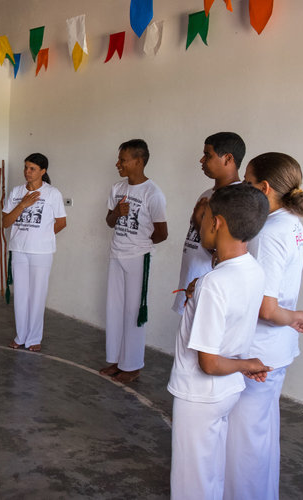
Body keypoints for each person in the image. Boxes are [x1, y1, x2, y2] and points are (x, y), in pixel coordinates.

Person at [167, 183, 272, 499]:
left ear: (217, 222)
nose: (199, 221)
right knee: (210, 472)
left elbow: (208, 362)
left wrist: (246, 364)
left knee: (191, 482)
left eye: (204, 215)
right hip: (226, 393)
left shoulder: (214, 283)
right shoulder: (252, 269)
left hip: (198, 395)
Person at [224, 153, 303, 500]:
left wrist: (295, 316)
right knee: (261, 434)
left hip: (259, 351)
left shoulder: (269, 231)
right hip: (276, 348)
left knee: (245, 444)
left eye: (247, 183)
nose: (243, 188)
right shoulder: (292, 222)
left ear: (264, 188)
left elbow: (266, 307)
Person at [100, 139, 168, 383]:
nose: (118, 163)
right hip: (116, 254)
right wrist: (117, 213)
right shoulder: (117, 187)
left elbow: (162, 233)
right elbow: (109, 221)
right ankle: (117, 360)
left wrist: (140, 244)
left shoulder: (153, 193)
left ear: (138, 161)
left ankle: (133, 365)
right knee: (115, 309)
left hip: (139, 258)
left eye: (123, 159)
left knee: (133, 312)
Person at [172, 132, 245, 313]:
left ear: (228, 158)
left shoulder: (237, 199)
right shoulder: (207, 194)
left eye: (208, 155)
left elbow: (229, 254)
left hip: (211, 290)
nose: (201, 160)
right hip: (192, 282)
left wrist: (199, 223)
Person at [1, 153, 66, 351]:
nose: (27, 172)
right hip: (19, 250)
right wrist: (22, 205)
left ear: (43, 171)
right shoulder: (16, 191)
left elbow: (61, 223)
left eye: (32, 169)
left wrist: (42, 236)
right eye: (26, 168)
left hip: (41, 252)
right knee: (20, 294)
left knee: (37, 294)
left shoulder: (52, 193)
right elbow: (5, 222)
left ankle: (34, 338)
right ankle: (21, 336)